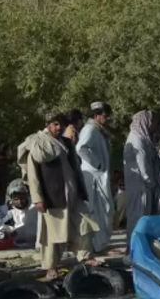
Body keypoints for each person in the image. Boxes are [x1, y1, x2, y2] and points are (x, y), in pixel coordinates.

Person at [27, 113, 100, 280]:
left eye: (61, 124)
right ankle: (51, 267)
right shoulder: (39, 144)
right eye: (55, 124)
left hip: (73, 196)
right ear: (48, 124)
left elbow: (75, 167)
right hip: (54, 197)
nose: (58, 128)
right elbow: (33, 174)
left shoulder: (66, 142)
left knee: (84, 225)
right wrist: (37, 198)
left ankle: (86, 257)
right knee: (54, 234)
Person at [123, 110, 160, 250]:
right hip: (140, 186)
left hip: (145, 186)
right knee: (138, 217)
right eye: (153, 121)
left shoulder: (144, 138)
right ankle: (134, 248)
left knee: (145, 217)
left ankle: (142, 247)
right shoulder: (137, 139)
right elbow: (143, 164)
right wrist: (150, 182)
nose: (155, 124)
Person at [76, 101, 115, 253]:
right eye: (105, 115)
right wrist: (97, 165)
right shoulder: (90, 129)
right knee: (97, 211)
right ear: (96, 115)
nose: (107, 119)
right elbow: (81, 148)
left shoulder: (98, 130)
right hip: (93, 177)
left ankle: (101, 244)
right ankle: (97, 245)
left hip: (99, 176)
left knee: (105, 210)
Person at [0, 180, 38, 247]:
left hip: (35, 240)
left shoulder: (35, 207)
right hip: (18, 240)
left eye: (22, 198)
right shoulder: (11, 209)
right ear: (11, 199)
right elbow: (0, 221)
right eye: (16, 199)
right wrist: (8, 231)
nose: (20, 201)